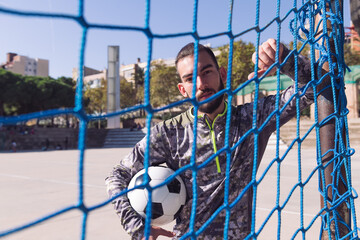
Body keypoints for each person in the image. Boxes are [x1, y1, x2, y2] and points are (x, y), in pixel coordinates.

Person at [105, 39, 315, 239]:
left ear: (221, 74)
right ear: (182, 89)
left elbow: (312, 88)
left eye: (206, 72)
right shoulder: (168, 133)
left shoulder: (254, 118)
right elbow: (117, 176)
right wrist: (136, 226)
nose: (200, 84)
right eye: (189, 79)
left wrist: (285, 58)